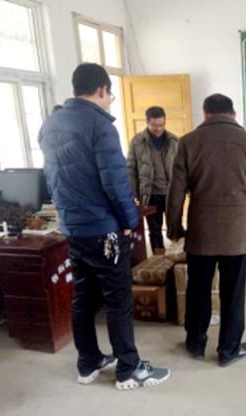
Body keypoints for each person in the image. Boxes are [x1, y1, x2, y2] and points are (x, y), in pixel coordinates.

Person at [39, 63, 170, 390]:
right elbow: (115, 182)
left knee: (83, 297)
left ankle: (88, 362)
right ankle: (128, 368)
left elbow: (51, 178)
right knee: (118, 299)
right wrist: (129, 221)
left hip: (72, 227)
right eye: (110, 95)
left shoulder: (51, 124)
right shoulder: (100, 125)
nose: (110, 100)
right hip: (103, 229)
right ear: (101, 89)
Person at [166, 93, 246, 366]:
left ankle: (195, 343)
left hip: (201, 232)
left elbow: (175, 192)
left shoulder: (188, 142)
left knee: (197, 289)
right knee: (233, 293)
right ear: (233, 114)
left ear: (206, 114)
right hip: (236, 233)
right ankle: (228, 350)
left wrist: (174, 228)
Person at [127, 106, 179, 255]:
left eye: (162, 125)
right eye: (154, 125)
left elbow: (182, 169)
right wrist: (133, 193)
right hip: (150, 194)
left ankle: (177, 259)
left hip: (171, 193)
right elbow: (130, 169)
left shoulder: (174, 141)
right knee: (155, 230)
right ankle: (158, 259)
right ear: (147, 122)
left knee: (175, 228)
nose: (158, 129)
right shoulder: (137, 141)